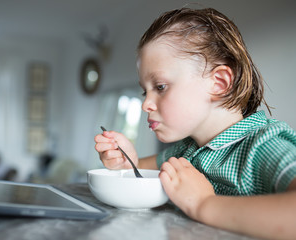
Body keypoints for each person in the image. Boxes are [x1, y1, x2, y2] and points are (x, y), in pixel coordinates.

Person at [94, 7, 296, 240]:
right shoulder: (186, 151)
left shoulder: (263, 147)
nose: (146, 104)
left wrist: (204, 204)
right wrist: (125, 161)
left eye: (160, 87)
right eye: (144, 92)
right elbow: (138, 170)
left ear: (219, 83)